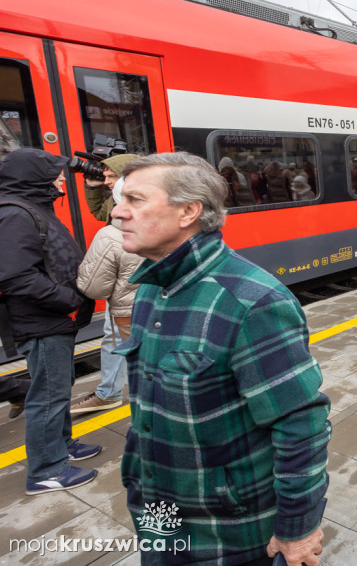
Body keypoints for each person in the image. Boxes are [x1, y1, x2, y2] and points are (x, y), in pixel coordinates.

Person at [111, 152, 331, 565]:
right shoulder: (150, 287)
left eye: (135, 200)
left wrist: (298, 528)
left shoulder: (251, 302)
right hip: (158, 506)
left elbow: (301, 423)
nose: (118, 213)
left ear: (188, 212)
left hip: (228, 528)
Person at [0, 148, 100, 494]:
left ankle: (61, 447)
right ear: (33, 177)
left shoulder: (30, 208)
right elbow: (15, 277)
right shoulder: (15, 214)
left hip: (53, 319)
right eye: (54, 173)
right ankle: (46, 470)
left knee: (58, 390)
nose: (61, 178)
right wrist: (69, 301)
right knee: (48, 395)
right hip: (43, 321)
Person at [72, 178, 143, 413]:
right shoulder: (172, 226)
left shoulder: (112, 235)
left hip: (126, 314)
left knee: (134, 360)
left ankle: (110, 393)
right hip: (161, 312)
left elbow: (94, 288)